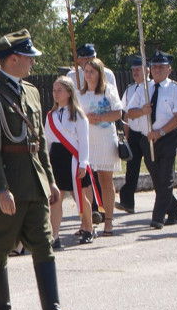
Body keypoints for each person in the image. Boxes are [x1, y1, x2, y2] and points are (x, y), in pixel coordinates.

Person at [0, 28, 80, 310]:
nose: (33, 63)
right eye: (28, 57)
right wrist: (0, 188)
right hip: (8, 182)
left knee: (44, 244)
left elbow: (40, 141)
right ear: (14, 59)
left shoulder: (31, 92)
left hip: (33, 181)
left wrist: (51, 180)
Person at [125, 51, 177, 229]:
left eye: (161, 66)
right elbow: (130, 112)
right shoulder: (144, 88)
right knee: (157, 178)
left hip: (167, 137)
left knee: (166, 177)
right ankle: (174, 211)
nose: (157, 70)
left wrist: (160, 132)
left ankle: (158, 217)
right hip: (148, 139)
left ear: (169, 69)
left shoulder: (176, 89)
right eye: (154, 66)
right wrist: (142, 111)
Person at [45, 76, 93, 247]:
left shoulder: (78, 115)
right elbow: (48, 141)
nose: (56, 94)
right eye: (54, 90)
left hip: (73, 158)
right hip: (56, 158)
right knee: (56, 198)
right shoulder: (50, 115)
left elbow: (84, 141)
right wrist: (46, 163)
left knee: (78, 196)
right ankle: (55, 235)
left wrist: (83, 163)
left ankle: (88, 228)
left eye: (60, 90)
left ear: (69, 93)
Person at [78, 57, 122, 236]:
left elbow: (118, 113)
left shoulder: (108, 91)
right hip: (87, 141)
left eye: (92, 71)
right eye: (86, 71)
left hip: (104, 139)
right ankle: (86, 222)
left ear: (99, 73)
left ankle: (109, 221)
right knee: (85, 183)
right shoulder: (80, 94)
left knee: (105, 180)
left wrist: (100, 118)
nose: (88, 75)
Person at [116, 55, 150, 214]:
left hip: (149, 134)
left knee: (155, 170)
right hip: (135, 134)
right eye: (133, 70)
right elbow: (126, 114)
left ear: (147, 70)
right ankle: (127, 201)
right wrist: (126, 134)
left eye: (138, 69)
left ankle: (170, 204)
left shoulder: (151, 88)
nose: (135, 73)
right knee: (132, 169)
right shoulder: (130, 90)